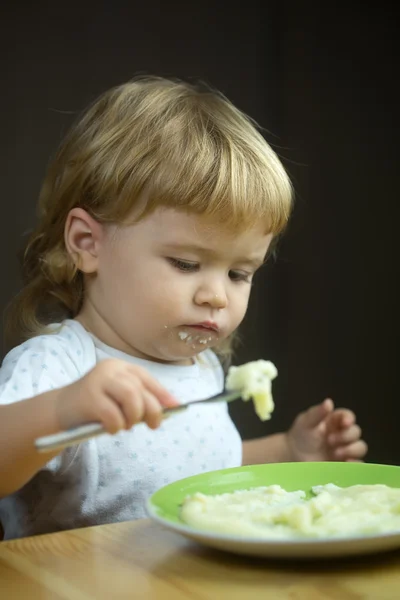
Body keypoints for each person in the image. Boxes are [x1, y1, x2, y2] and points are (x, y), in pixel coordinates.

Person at [0, 76, 367, 540]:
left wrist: (289, 449)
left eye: (239, 274)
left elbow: (201, 469)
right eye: (186, 263)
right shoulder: (60, 367)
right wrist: (61, 410)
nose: (217, 295)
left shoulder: (202, 368)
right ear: (87, 243)